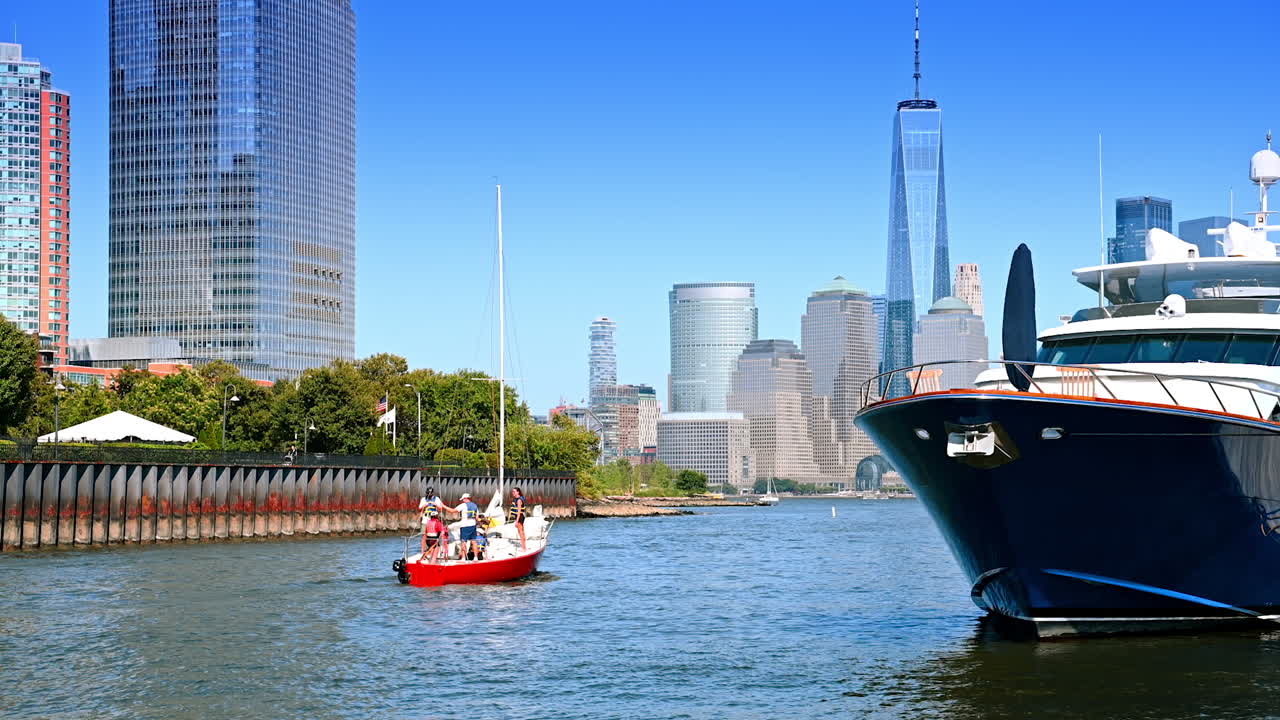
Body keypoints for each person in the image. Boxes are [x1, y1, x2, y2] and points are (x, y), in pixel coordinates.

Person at [418, 487, 448, 562]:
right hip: (426, 519)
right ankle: (423, 550)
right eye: (428, 494)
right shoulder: (423, 499)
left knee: (435, 535)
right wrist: (425, 505)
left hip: (434, 519)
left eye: (430, 494)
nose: (429, 495)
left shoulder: (436, 499)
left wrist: (434, 504)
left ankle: (433, 549)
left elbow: (440, 507)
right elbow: (419, 508)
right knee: (424, 535)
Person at [448, 492, 481, 561]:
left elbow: (452, 511)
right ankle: (475, 558)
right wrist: (480, 523)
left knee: (463, 542)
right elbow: (477, 518)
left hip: (465, 525)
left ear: (466, 499)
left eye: (463, 499)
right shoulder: (475, 506)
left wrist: (443, 506)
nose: (462, 500)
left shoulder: (463, 505)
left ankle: (463, 558)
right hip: (473, 525)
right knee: (474, 541)